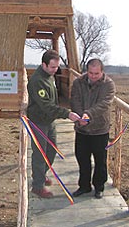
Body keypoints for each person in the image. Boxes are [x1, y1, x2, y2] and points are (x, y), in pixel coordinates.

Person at [27, 49, 80, 198]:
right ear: (43, 64)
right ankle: (37, 186)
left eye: (57, 67)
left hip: (49, 120)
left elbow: (52, 103)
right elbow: (46, 106)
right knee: (40, 154)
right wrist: (67, 114)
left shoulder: (50, 76)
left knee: (52, 150)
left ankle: (41, 174)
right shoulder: (37, 81)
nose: (55, 70)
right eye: (52, 67)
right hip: (39, 121)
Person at [71, 58, 115, 199]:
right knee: (82, 158)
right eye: (90, 73)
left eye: (96, 73)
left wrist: (88, 114)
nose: (93, 76)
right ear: (86, 71)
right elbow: (75, 100)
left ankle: (99, 187)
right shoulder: (78, 82)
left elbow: (104, 103)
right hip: (82, 129)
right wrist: (79, 117)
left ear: (102, 72)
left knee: (100, 161)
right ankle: (84, 186)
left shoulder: (109, 84)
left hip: (100, 129)